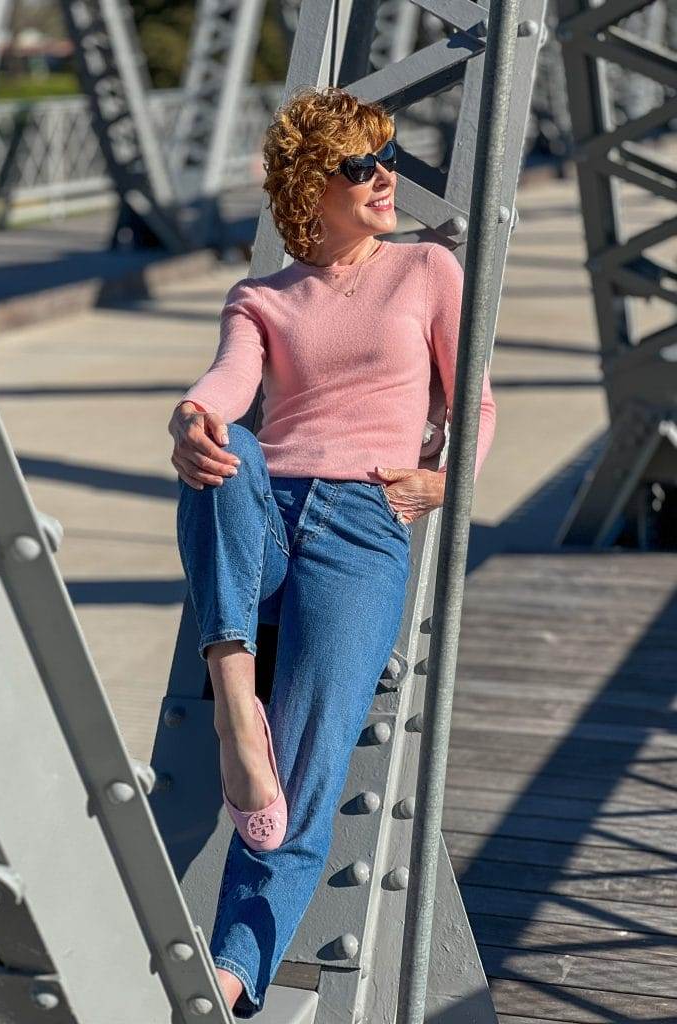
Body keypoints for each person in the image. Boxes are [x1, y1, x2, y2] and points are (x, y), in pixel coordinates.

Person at [168, 85, 496, 1018]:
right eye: (359, 164)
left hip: (362, 528)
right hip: (269, 512)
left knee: (306, 773)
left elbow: (472, 403)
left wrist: (445, 483)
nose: (384, 173)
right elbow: (228, 384)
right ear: (312, 186)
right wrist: (192, 417)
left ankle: (230, 974)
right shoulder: (260, 294)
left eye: (387, 153)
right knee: (222, 456)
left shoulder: (428, 270)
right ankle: (235, 689)